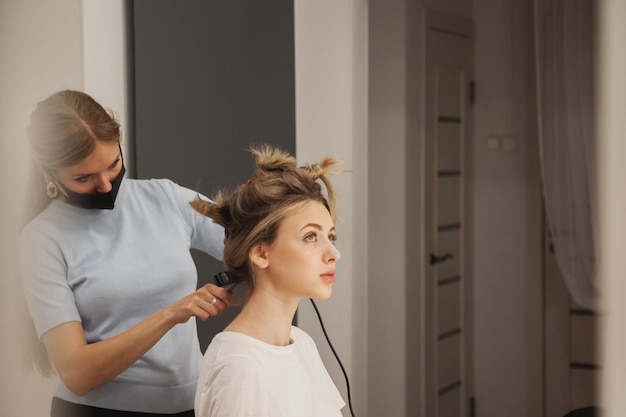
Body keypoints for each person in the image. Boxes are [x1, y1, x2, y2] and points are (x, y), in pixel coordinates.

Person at [18, 90, 232, 417]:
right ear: (48, 172)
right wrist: (170, 313)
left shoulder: (165, 197)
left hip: (192, 406)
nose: (105, 185)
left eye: (113, 164)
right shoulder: (42, 240)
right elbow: (77, 373)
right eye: (84, 177)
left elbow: (250, 243)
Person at [191, 145, 346, 417]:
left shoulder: (301, 343)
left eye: (330, 237)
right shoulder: (240, 366)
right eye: (311, 236)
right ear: (261, 253)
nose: (334, 253)